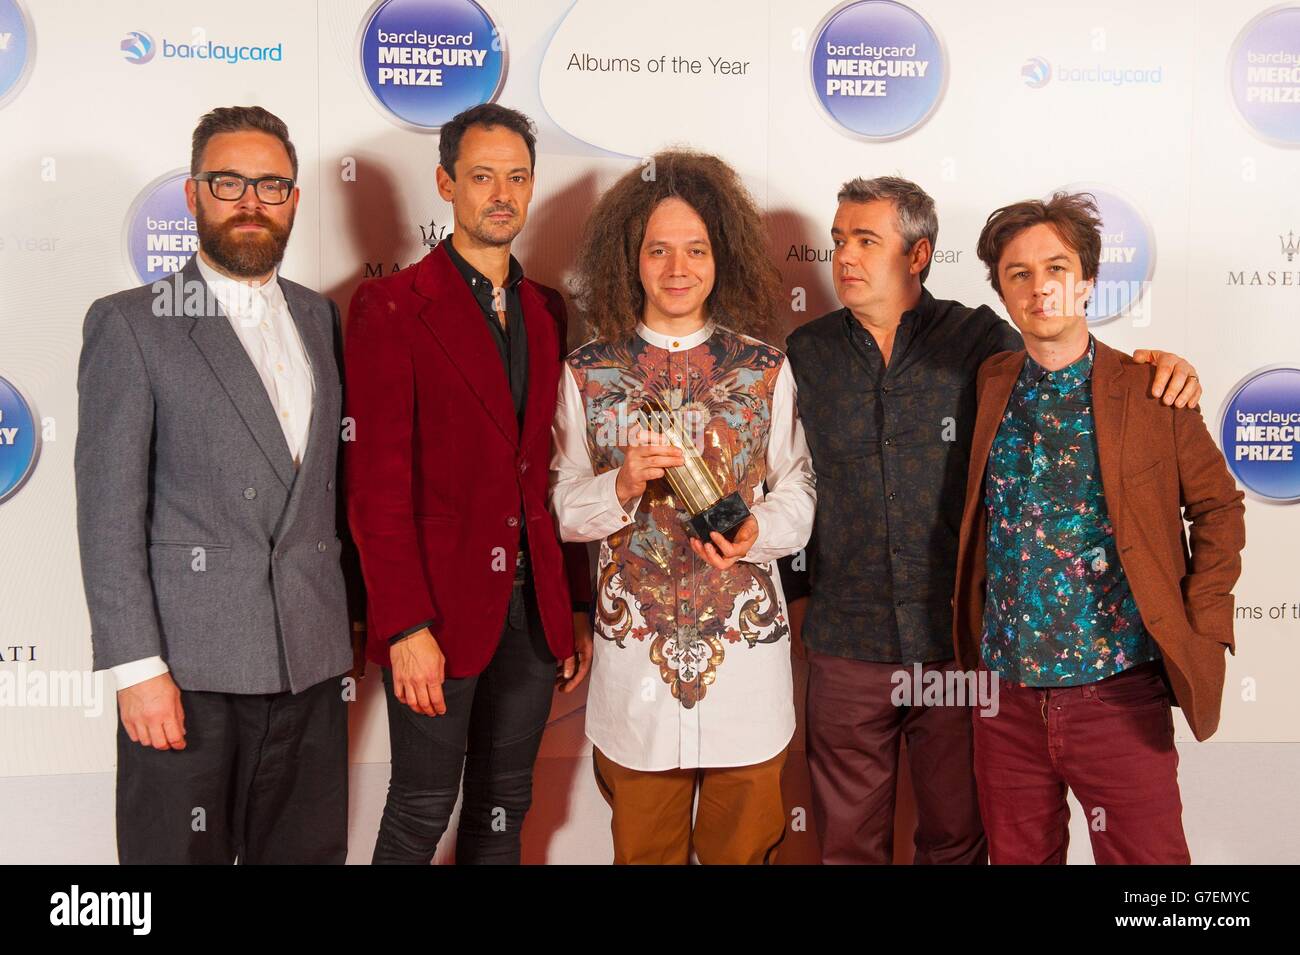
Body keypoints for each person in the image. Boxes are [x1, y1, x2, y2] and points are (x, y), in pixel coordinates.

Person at [784, 176, 1204, 864]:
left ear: (917, 255)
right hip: (845, 643)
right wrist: (798, 598)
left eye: (866, 240)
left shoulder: (980, 341)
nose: (845, 257)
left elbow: (1066, 357)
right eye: (838, 241)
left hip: (957, 645)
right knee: (845, 845)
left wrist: (1161, 365)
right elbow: (784, 479)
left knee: (958, 838)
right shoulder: (805, 354)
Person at [75, 105, 360, 864]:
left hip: (310, 665)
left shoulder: (320, 316)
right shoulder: (132, 324)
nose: (250, 202)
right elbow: (108, 513)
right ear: (195, 194)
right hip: (186, 675)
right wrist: (137, 669)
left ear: (294, 199)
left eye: (271, 185)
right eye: (228, 182)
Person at [952, 191, 1245, 864]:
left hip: (1117, 694)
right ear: (1000, 288)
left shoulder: (1151, 390)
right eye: (1018, 272)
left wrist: (1199, 619)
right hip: (1006, 698)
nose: (1039, 286)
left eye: (1055, 267)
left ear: (1086, 279)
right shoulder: (990, 381)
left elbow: (1219, 509)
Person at [550, 149, 816, 864]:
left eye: (695, 249)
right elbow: (561, 508)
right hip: (634, 671)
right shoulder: (586, 372)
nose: (677, 268)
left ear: (719, 256)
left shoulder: (765, 368)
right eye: (658, 249)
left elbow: (800, 488)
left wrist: (760, 529)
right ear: (628, 259)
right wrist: (623, 483)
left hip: (746, 672)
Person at [344, 104, 590, 865]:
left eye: (517, 177)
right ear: (447, 182)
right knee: (420, 811)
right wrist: (404, 626)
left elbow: (554, 469)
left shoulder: (547, 310)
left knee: (503, 810)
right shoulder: (391, 307)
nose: (502, 194)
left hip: (530, 616)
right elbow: (376, 490)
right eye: (483, 176)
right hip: (437, 618)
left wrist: (570, 603)